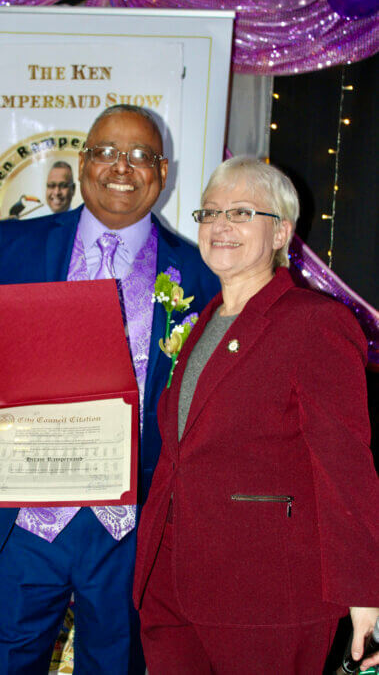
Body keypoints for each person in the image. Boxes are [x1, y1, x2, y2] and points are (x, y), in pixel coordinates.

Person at [0, 104, 220, 674]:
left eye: (141, 156)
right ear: (83, 164)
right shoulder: (17, 244)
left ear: (163, 173)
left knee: (117, 665)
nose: (121, 168)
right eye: (106, 152)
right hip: (22, 514)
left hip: (130, 523)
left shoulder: (199, 271)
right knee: (8, 662)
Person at [133, 156, 379, 674]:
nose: (220, 225)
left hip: (267, 595)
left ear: (280, 232)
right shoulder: (205, 320)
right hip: (173, 584)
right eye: (210, 212)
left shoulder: (316, 324)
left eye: (241, 212)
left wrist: (364, 591)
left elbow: (346, 468)